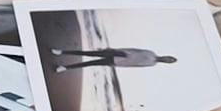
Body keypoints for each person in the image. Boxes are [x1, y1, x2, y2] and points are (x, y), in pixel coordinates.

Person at [50, 47, 178, 73]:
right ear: (167, 55)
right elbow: (133, 49)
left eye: (169, 61)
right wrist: (115, 49)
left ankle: (65, 68)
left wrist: (116, 66)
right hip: (119, 53)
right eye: (169, 58)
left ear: (167, 63)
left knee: (89, 64)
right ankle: (61, 52)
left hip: (117, 62)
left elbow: (133, 66)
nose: (167, 59)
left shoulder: (151, 65)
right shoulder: (151, 52)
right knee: (87, 53)